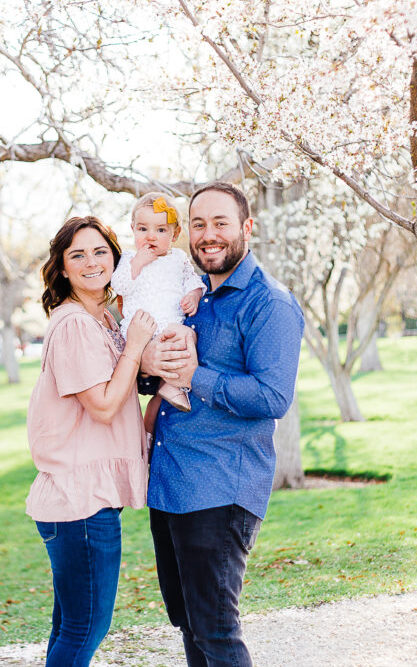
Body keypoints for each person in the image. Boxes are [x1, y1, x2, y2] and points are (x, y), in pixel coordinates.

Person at [140, 182, 304, 667]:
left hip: (220, 489)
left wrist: (196, 376)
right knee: (189, 624)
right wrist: (151, 366)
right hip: (171, 485)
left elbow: (273, 396)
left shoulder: (268, 303)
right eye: (198, 224)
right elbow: (161, 375)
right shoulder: (194, 298)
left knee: (216, 630)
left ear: (246, 228)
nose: (207, 234)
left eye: (220, 223)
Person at [25, 215, 156, 667]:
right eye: (77, 255)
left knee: (71, 626)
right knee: (86, 627)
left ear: (114, 257)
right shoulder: (76, 325)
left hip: (82, 500)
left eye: (100, 251)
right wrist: (136, 343)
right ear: (62, 269)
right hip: (79, 502)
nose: (91, 262)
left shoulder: (99, 319)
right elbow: (102, 405)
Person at [111, 192, 205, 418]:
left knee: (188, 337)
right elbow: (119, 285)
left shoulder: (178, 259)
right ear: (133, 229)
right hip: (140, 331)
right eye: (143, 229)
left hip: (171, 328)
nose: (151, 236)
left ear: (175, 234)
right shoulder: (128, 259)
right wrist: (137, 264)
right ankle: (166, 390)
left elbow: (194, 280)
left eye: (161, 230)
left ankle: (173, 387)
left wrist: (194, 294)